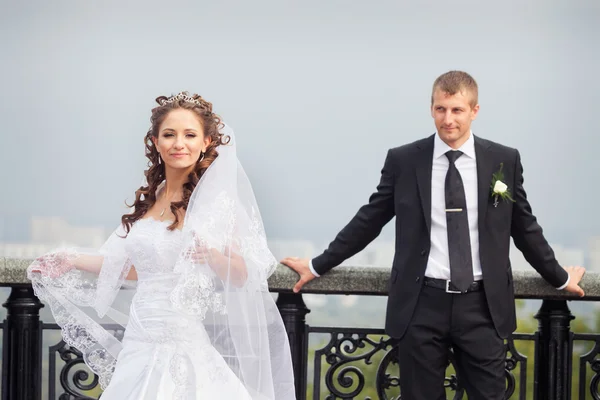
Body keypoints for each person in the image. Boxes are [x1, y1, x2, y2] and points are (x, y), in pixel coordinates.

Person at [281, 71, 585, 400]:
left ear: (474, 111)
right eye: (440, 109)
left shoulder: (503, 160)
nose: (448, 119)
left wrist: (557, 278)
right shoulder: (404, 159)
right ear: (431, 109)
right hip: (421, 306)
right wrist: (316, 265)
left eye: (456, 110)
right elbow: (369, 220)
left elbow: (524, 225)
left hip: (482, 306)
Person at [28, 92, 296, 399]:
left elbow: (243, 274)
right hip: (139, 339)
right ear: (156, 142)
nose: (178, 143)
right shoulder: (152, 197)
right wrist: (72, 259)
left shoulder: (217, 205)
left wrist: (212, 257)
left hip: (181, 340)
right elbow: (133, 268)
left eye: (190, 135)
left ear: (206, 142)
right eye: (169, 135)